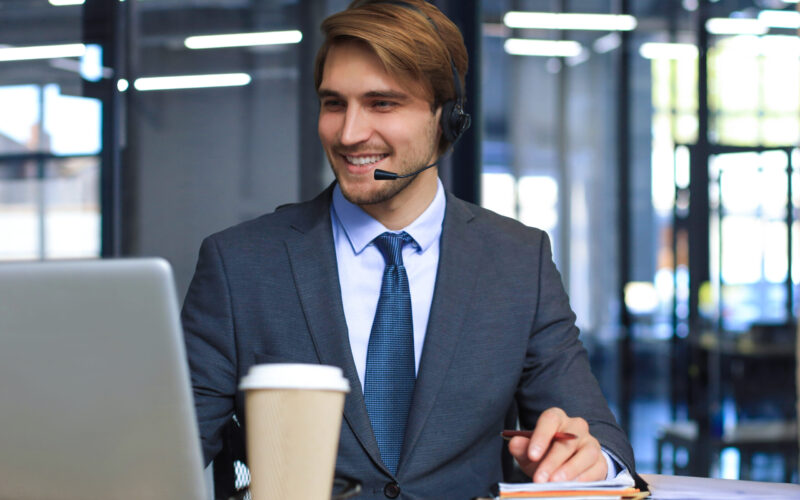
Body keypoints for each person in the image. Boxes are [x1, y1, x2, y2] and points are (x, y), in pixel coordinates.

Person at [181, 1, 638, 498]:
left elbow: (598, 438)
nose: (350, 133)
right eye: (334, 103)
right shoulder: (240, 265)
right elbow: (167, 452)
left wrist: (588, 459)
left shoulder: (518, 262)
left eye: (382, 104)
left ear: (446, 119)